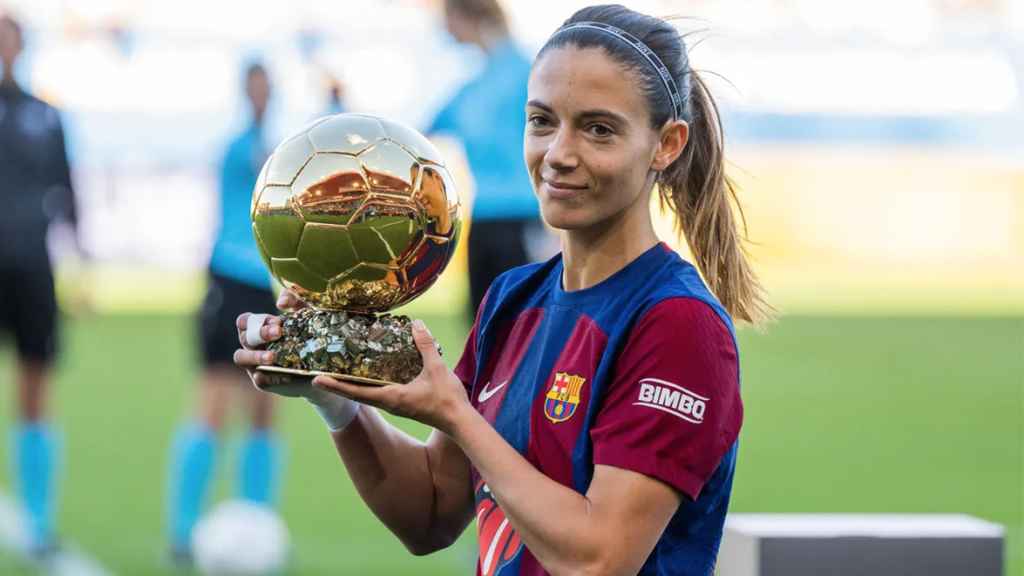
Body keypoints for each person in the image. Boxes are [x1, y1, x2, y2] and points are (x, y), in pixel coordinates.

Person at [236, 4, 771, 575]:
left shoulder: (675, 324)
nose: (558, 155)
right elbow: (432, 511)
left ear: (666, 144)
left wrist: (460, 418)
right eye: (542, 121)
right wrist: (333, 396)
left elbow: (600, 560)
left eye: (598, 129)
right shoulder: (511, 303)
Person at [164, 62, 282, 564]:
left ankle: (257, 524)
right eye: (254, 87)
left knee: (264, 409)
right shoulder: (244, 147)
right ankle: (183, 530)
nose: (260, 95)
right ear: (245, 92)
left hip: (265, 286)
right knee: (213, 404)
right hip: (230, 280)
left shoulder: (271, 145)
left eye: (266, 88)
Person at [0, 12, 81, 559]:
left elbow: (69, 193)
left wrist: (82, 265)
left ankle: (38, 521)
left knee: (35, 390)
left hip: (33, 266)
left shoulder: (47, 117)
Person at [428, 0, 545, 319]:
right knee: (484, 329)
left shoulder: (532, 71)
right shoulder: (472, 87)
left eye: (447, 18)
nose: (444, 28)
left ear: (465, 15)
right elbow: (422, 132)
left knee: (526, 325)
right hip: (483, 222)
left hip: (524, 219)